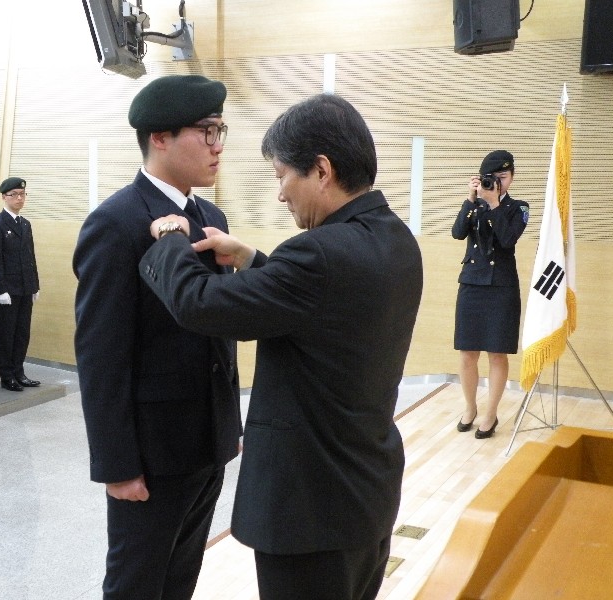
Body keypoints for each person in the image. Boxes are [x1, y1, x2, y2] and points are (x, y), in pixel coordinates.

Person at [139, 93, 423, 600]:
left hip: (310, 513)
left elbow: (199, 304)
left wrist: (170, 240)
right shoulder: (395, 239)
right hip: (366, 497)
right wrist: (253, 259)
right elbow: (326, 307)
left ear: (321, 170)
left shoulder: (317, 254)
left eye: (282, 176)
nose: (280, 195)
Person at [72, 74, 242, 600]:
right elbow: (101, 354)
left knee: (181, 575)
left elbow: (217, 332)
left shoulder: (210, 217)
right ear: (160, 138)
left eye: (220, 131)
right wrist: (117, 465)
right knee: (137, 583)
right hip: (151, 452)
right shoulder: (116, 222)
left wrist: (226, 424)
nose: (217, 146)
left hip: (206, 442)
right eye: (206, 131)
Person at [452, 150, 529, 439]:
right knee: (467, 352)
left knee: (497, 354)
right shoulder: (475, 205)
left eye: (503, 177)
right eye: (491, 178)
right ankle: (470, 407)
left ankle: (490, 414)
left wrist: (495, 203)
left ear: (512, 178)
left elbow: (507, 239)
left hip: (501, 288)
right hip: (472, 284)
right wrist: (470, 199)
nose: (497, 182)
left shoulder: (518, 208)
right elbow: (458, 232)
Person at [0, 177, 41, 392]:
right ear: (4, 197)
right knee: (7, 334)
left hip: (25, 287)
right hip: (8, 290)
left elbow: (30, 257)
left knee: (22, 332)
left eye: (22, 194)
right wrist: (0, 290)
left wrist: (35, 285)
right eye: (14, 195)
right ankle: (7, 375)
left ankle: (19, 371)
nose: (19, 198)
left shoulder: (24, 223)